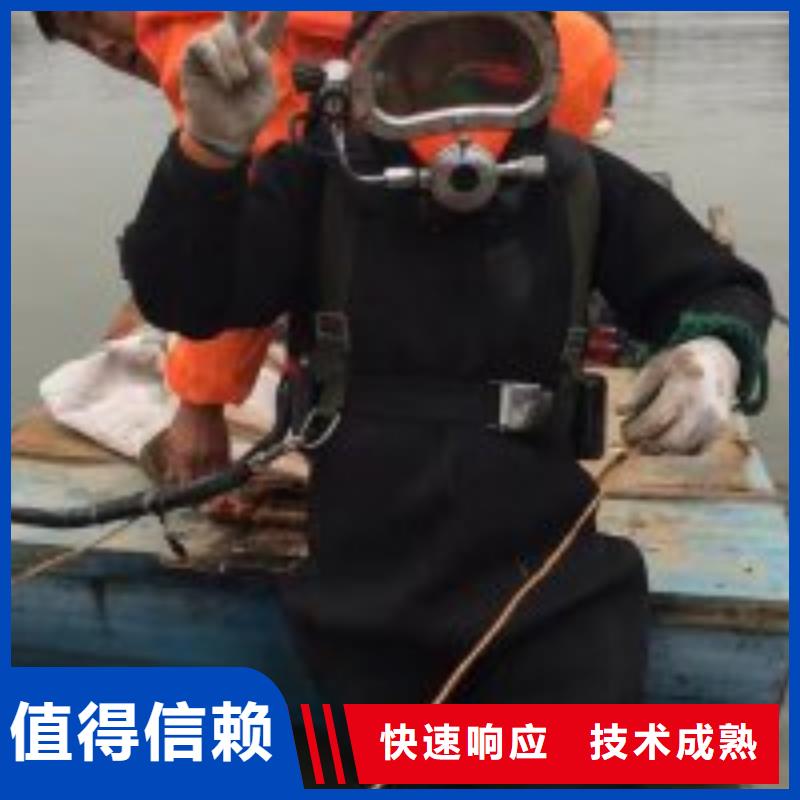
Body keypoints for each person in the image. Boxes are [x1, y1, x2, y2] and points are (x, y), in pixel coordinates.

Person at [120, 10, 771, 705]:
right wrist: (209, 153)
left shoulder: (577, 183)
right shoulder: (318, 182)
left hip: (555, 597)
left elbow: (717, 285)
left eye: (487, 69)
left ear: (539, 70)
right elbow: (186, 295)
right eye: (424, 69)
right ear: (367, 77)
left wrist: (714, 352)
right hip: (361, 603)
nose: (458, 106)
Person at [34, 10, 621, 490]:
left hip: (524, 81)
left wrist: (200, 404)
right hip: (558, 56)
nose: (101, 46)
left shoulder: (199, 37)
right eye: (80, 42)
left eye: (89, 16)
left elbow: (253, 229)